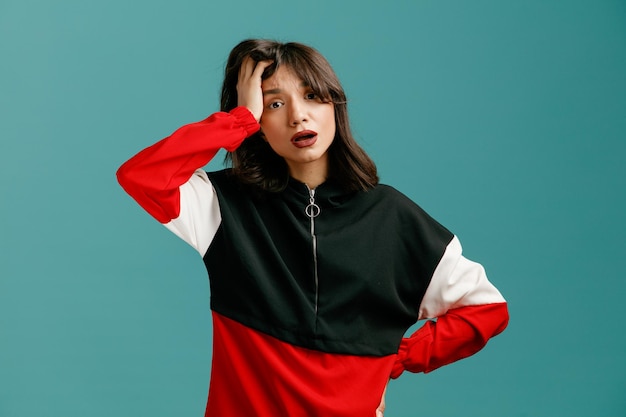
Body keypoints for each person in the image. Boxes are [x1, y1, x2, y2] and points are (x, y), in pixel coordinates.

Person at [116, 39, 508, 417]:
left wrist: (396, 358)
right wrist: (240, 120)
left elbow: (487, 309)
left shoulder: (393, 217)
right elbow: (144, 176)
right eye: (273, 103)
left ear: (335, 105)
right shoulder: (224, 206)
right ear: (259, 123)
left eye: (312, 96)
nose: (297, 115)